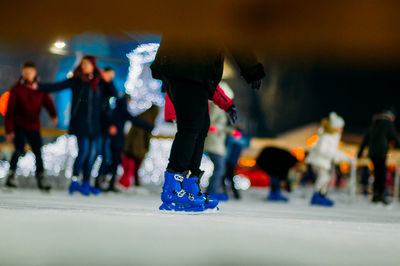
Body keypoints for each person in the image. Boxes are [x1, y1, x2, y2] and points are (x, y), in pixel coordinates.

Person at [151, 36, 265, 212]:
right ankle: (172, 187)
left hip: (192, 71)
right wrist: (251, 69)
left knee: (201, 126)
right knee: (191, 126)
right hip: (186, 67)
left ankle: (191, 187)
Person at [38, 55, 106, 196]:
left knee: (93, 154)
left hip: (95, 126)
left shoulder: (99, 83)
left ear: (93, 66)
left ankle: (86, 181)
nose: (84, 66)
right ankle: (75, 181)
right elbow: (57, 86)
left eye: (87, 64)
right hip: (80, 124)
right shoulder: (76, 81)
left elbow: (112, 94)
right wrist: (37, 86)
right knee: (84, 152)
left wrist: (104, 77)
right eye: (82, 64)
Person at [4, 61, 57, 191]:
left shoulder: (39, 88)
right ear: (22, 73)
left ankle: (41, 177)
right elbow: (9, 111)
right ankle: (11, 175)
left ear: (35, 73)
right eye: (26, 73)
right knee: (19, 149)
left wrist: (53, 114)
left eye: (30, 72)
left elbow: (47, 102)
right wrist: (9, 129)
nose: (28, 75)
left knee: (38, 151)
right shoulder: (16, 89)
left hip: (34, 125)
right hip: (19, 125)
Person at [105, 94, 154, 192]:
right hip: (117, 140)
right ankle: (107, 181)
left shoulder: (115, 110)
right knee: (114, 161)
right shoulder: (122, 111)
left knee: (114, 161)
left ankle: (108, 181)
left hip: (113, 139)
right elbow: (134, 120)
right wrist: (148, 127)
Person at [306, 112, 351, 207]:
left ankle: (321, 195)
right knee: (323, 178)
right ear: (335, 127)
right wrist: (333, 155)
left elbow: (334, 151)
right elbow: (324, 150)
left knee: (325, 178)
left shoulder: (333, 137)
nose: (341, 129)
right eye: (340, 127)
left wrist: (344, 157)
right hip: (319, 161)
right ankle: (317, 196)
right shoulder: (327, 137)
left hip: (324, 162)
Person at [358, 107, 400, 204]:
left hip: (372, 152)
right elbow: (393, 136)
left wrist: (360, 152)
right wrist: (398, 145)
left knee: (377, 173)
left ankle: (376, 195)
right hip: (381, 152)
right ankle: (380, 195)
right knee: (381, 173)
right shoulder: (388, 123)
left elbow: (366, 138)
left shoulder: (375, 123)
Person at [118, 104, 159, 190]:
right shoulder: (148, 119)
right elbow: (141, 137)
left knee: (131, 167)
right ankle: (133, 184)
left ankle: (129, 184)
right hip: (136, 148)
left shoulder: (143, 117)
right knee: (133, 167)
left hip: (131, 146)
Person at [204, 85, 235, 199]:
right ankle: (212, 191)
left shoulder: (216, 107)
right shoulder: (216, 107)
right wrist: (226, 130)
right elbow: (211, 124)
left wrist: (230, 131)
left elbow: (217, 125)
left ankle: (213, 190)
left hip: (216, 142)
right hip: (214, 142)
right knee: (220, 168)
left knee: (219, 168)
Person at [94, 67, 118, 189]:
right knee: (95, 153)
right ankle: (89, 179)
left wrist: (110, 81)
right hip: (97, 126)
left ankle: (99, 179)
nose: (110, 78)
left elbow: (115, 93)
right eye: (109, 75)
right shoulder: (98, 84)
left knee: (106, 157)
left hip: (105, 128)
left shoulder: (108, 88)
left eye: (112, 76)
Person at [223, 127, 250, 199]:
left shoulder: (231, 139)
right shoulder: (241, 141)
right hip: (232, 161)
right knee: (227, 176)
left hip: (229, 160)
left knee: (226, 176)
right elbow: (246, 143)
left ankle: (229, 193)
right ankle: (233, 193)